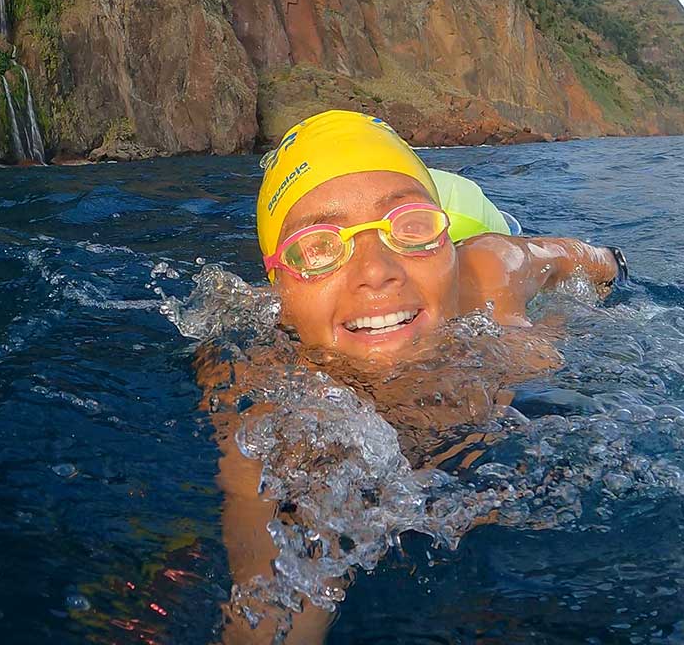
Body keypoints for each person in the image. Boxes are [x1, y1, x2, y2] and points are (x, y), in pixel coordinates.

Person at [208, 109, 628, 643]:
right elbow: (268, 590)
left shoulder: (489, 272)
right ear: (278, 293)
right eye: (318, 247)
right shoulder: (254, 378)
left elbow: (580, 258)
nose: (376, 270)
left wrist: (614, 266)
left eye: (409, 226)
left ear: (448, 244)